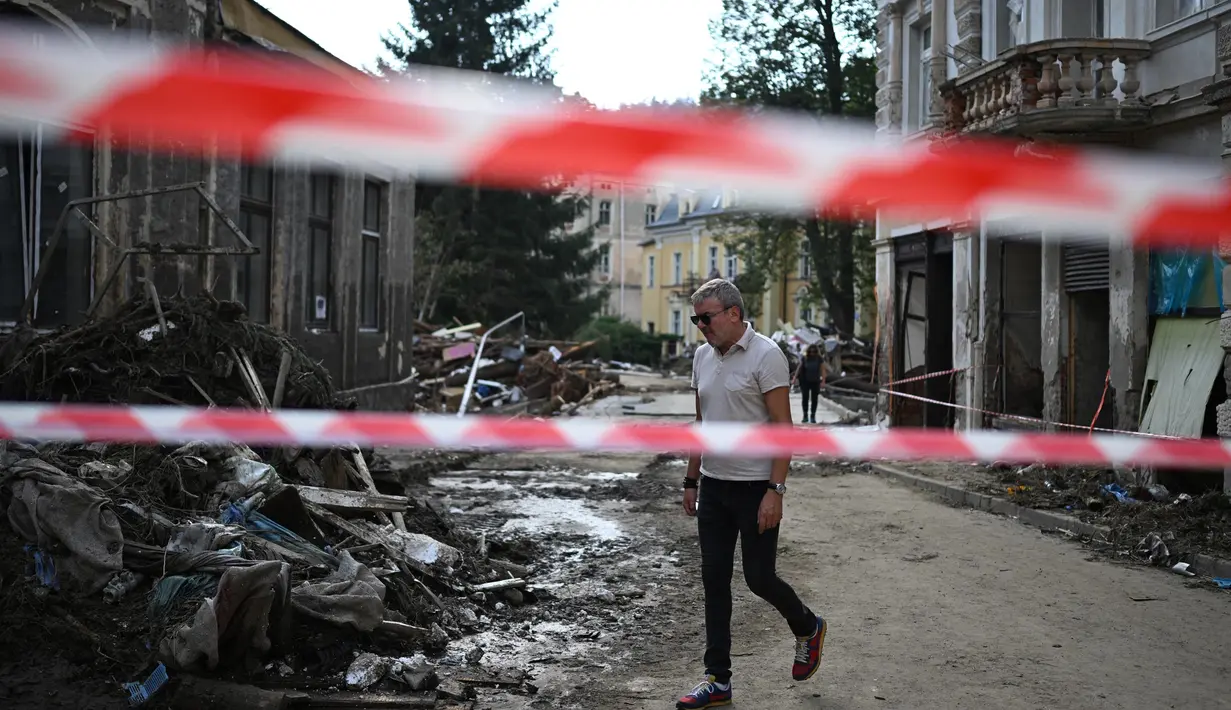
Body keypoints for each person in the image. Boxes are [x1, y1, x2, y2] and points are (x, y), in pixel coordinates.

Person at [676, 278, 826, 710]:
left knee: (759, 578)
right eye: (695, 319)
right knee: (714, 581)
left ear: (733, 314)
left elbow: (783, 429)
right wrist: (692, 479)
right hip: (715, 487)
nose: (700, 326)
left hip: (755, 488)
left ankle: (808, 626)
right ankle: (717, 680)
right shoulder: (703, 357)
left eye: (706, 318)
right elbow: (701, 423)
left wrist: (775, 491)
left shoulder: (767, 356)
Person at [792, 344, 826, 424]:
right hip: (805, 381)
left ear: (817, 352)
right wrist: (794, 378)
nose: (812, 353)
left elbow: (823, 370)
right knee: (805, 398)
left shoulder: (819, 359)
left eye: (814, 352)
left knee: (814, 399)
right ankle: (805, 416)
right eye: (811, 351)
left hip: (815, 381)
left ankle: (813, 416)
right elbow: (799, 368)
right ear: (808, 351)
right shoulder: (805, 358)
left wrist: (823, 381)